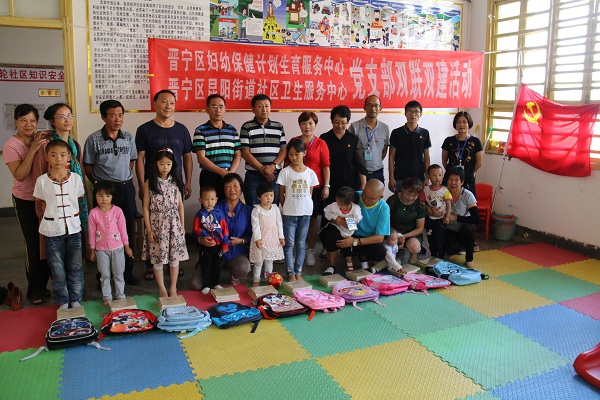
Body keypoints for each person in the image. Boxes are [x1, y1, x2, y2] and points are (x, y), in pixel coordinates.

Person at [135, 89, 193, 281]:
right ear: (155, 104)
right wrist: (142, 184)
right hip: (153, 184)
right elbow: (140, 158)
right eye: (164, 102)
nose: (168, 106)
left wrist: (188, 181)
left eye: (172, 103)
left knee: (173, 222)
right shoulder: (144, 129)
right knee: (154, 221)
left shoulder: (182, 130)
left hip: (174, 183)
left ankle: (173, 262)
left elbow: (187, 156)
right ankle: (151, 264)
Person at [83, 99, 140, 285]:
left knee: (126, 228)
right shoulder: (93, 140)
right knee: (103, 230)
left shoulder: (129, 137)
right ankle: (103, 275)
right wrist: (100, 185)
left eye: (120, 115)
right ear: (103, 117)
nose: (118, 119)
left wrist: (122, 178)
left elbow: (131, 162)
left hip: (125, 188)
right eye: (113, 115)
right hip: (104, 191)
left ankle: (127, 272)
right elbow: (88, 167)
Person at [3, 104, 50, 305]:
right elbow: (20, 175)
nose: (28, 124)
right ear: (16, 121)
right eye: (23, 120)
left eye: (32, 120)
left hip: (46, 199)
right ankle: (35, 290)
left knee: (48, 242)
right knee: (33, 244)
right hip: (25, 200)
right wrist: (32, 151)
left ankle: (47, 285)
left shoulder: (41, 138)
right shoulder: (11, 146)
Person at [33, 139, 85, 309]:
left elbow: (79, 200)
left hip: (73, 229)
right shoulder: (42, 181)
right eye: (53, 155)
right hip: (52, 232)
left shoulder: (76, 179)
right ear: (46, 157)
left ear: (69, 156)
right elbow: (40, 203)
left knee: (75, 266)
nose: (58, 159)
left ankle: (75, 298)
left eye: (62, 155)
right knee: (57, 269)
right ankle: (63, 300)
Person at [32, 103, 89, 233]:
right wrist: (39, 206)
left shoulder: (75, 145)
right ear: (52, 121)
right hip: (53, 199)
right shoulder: (45, 144)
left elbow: (80, 174)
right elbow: (38, 174)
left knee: (75, 235)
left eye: (70, 116)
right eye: (62, 117)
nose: (67, 120)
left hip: (72, 198)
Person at [142, 148, 189, 298]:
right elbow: (146, 207)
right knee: (158, 258)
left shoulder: (175, 182)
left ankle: (173, 287)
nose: (165, 167)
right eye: (162, 164)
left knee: (174, 258)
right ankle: (162, 288)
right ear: (156, 164)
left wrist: (182, 226)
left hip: (173, 224)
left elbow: (180, 206)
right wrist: (149, 229)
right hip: (157, 224)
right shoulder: (150, 183)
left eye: (168, 164)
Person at [321, 179, 389, 275]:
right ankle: (332, 265)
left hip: (363, 240)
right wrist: (338, 219)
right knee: (330, 233)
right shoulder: (353, 196)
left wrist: (355, 241)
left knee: (380, 252)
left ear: (380, 197)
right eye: (365, 194)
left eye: (371, 198)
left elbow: (380, 237)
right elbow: (329, 213)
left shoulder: (384, 208)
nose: (365, 199)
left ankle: (361, 256)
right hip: (346, 233)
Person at [277, 138, 318, 281]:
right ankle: (290, 272)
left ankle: (298, 271)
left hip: (305, 213)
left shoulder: (310, 173)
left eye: (297, 154)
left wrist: (304, 206)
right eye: (291, 154)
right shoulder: (285, 172)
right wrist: (287, 206)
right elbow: (281, 194)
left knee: (301, 243)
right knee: (289, 244)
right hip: (289, 214)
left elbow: (309, 193)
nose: (293, 157)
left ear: (304, 153)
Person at [292, 112, 330, 267]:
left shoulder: (321, 143)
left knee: (313, 219)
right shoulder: (294, 141)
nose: (307, 127)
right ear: (299, 125)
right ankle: (296, 250)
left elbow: (326, 166)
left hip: (315, 188)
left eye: (310, 123)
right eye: (303, 123)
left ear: (315, 125)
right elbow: (288, 163)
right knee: (295, 218)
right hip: (296, 187)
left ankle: (310, 250)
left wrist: (326, 185)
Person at [88, 181, 133, 307]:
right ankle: (107, 297)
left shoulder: (118, 211)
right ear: (95, 196)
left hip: (118, 248)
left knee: (119, 273)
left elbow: (123, 230)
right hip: (101, 250)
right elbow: (91, 233)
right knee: (105, 274)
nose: (104, 199)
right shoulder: (93, 213)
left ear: (112, 196)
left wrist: (127, 247)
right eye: (100, 196)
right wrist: (92, 250)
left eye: (108, 196)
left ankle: (120, 295)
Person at [240, 94, 286, 206]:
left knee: (272, 208)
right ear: (253, 109)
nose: (264, 109)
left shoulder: (278, 126)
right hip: (254, 176)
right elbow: (245, 153)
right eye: (260, 106)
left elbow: (283, 150)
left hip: (274, 175)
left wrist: (273, 166)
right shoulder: (246, 127)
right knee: (252, 208)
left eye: (267, 106)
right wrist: (262, 169)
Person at [192, 94, 241, 200]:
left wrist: (231, 173)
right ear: (207, 110)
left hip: (229, 175)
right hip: (210, 176)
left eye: (221, 106)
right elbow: (201, 158)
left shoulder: (232, 130)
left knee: (229, 206)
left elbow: (238, 154)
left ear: (225, 109)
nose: (218, 110)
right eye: (214, 106)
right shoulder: (200, 130)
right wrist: (221, 171)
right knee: (210, 206)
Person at [213, 173, 253, 286]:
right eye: (228, 186)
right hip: (216, 251)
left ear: (241, 189)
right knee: (196, 284)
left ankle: (234, 275)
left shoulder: (248, 210)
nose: (232, 190)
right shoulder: (215, 208)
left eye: (235, 186)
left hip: (237, 251)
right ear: (223, 189)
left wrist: (241, 241)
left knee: (244, 267)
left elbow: (252, 234)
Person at [192, 186, 230, 294]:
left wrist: (225, 244)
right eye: (206, 199)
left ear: (216, 199)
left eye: (212, 199)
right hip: (206, 245)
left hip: (218, 245)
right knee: (206, 264)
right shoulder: (199, 214)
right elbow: (195, 229)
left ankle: (216, 283)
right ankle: (207, 284)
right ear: (200, 200)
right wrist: (204, 236)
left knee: (217, 264)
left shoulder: (220, 214)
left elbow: (225, 229)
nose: (210, 202)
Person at [388, 100, 431, 192]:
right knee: (400, 200)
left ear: (421, 114)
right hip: (400, 177)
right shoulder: (396, 133)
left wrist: (427, 177)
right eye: (410, 111)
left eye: (416, 111)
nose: (413, 114)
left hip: (419, 177)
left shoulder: (425, 133)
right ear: (405, 113)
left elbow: (427, 157)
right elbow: (391, 156)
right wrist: (391, 177)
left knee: (418, 201)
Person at [348, 95, 390, 185]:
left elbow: (384, 150)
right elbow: (350, 151)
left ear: (380, 108)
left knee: (378, 194)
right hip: (358, 173)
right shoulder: (354, 127)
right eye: (370, 105)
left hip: (377, 172)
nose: (373, 108)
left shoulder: (385, 128)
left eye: (376, 105)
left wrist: (374, 162)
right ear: (364, 107)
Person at [249, 182, 285, 287]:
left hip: (272, 239)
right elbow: (255, 226)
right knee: (259, 261)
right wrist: (257, 239)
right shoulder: (256, 210)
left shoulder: (275, 209)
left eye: (271, 195)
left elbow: (279, 223)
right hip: (261, 239)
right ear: (259, 197)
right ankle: (256, 279)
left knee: (269, 261)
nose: (269, 198)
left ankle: (268, 279)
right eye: (266, 195)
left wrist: (281, 237)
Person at [319, 186, 362, 272]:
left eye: (341, 205)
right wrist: (335, 217)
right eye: (338, 203)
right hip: (336, 227)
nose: (338, 205)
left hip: (348, 231)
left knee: (346, 246)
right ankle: (331, 263)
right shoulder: (334, 205)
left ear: (350, 203)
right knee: (330, 236)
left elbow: (356, 222)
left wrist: (345, 220)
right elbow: (326, 212)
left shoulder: (356, 209)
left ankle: (349, 262)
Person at [443, 166, 479, 268]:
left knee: (468, 229)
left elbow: (476, 218)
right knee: (450, 248)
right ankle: (458, 248)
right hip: (450, 229)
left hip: (464, 229)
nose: (453, 183)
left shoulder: (468, 195)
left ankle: (469, 258)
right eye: (450, 180)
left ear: (462, 182)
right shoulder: (443, 193)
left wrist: (456, 218)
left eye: (456, 180)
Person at [442, 111, 483, 198]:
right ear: (455, 124)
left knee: (468, 201)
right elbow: (444, 161)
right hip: (450, 178)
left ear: (469, 124)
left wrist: (468, 172)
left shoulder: (476, 141)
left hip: (468, 178)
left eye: (464, 122)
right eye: (459, 122)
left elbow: (479, 163)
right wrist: (452, 172)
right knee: (447, 201)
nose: (461, 125)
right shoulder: (448, 140)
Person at [387, 178, 426, 264]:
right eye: (408, 194)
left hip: (411, 234)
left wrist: (403, 236)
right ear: (402, 189)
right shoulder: (392, 201)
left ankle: (413, 256)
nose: (411, 198)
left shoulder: (420, 205)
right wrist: (395, 236)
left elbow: (420, 229)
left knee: (414, 247)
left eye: (415, 195)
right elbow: (385, 221)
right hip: (393, 232)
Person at [423, 164, 452, 258]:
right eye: (434, 175)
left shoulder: (445, 190)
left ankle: (440, 256)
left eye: (440, 175)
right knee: (430, 239)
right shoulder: (426, 190)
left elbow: (448, 204)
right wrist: (427, 207)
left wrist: (447, 216)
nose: (437, 178)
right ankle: (433, 255)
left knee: (440, 239)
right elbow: (421, 202)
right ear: (428, 176)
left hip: (441, 219)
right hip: (430, 219)